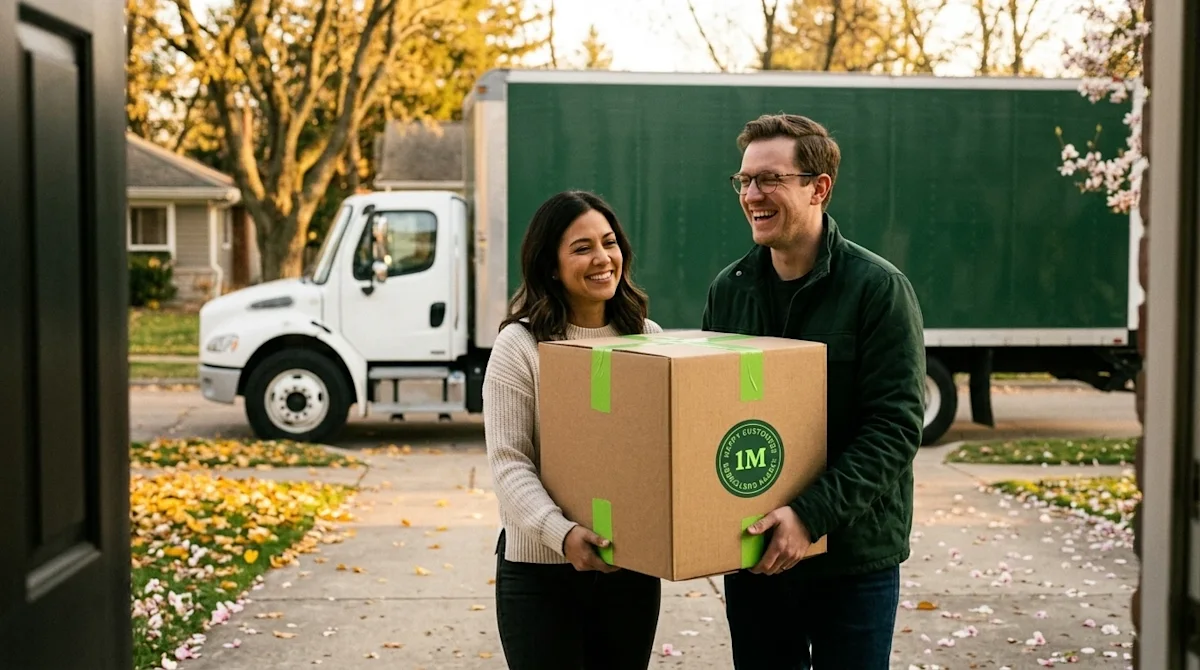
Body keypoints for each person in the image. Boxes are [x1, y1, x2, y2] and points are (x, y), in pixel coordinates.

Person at [701, 113, 926, 668]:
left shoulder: (878, 290)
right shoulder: (729, 291)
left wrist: (808, 516)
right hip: (756, 556)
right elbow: (709, 416)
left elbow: (894, 429)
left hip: (853, 560)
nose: (752, 194)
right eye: (745, 181)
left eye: (770, 179)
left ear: (818, 187)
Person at [484, 190, 663, 669]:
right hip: (541, 574)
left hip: (631, 569)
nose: (602, 258)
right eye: (581, 248)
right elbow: (509, 464)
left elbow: (664, 454)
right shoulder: (520, 346)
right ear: (550, 266)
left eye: (609, 243)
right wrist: (561, 535)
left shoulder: (649, 339)